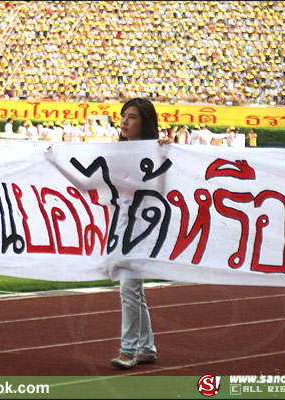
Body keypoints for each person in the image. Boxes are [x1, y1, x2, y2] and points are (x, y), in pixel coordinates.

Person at [110, 98, 171, 370]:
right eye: (123, 116)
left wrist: (163, 156)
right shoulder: (116, 153)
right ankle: (146, 349)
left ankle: (128, 351)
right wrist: (55, 161)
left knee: (128, 288)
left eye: (132, 117)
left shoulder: (156, 152)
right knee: (134, 290)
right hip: (122, 228)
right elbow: (89, 182)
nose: (124, 121)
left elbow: (160, 189)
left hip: (144, 229)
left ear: (145, 122)